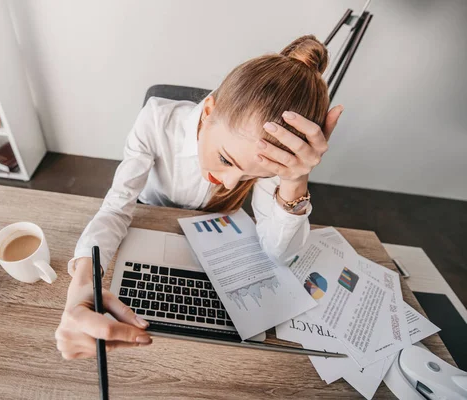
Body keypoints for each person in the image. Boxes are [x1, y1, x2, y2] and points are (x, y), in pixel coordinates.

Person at [55, 35, 344, 360]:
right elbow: (117, 207)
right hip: (152, 216)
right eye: (225, 160)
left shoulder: (271, 157)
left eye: (252, 177)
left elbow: (278, 253)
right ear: (208, 112)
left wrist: (294, 180)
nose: (232, 181)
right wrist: (81, 284)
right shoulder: (155, 122)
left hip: (213, 237)